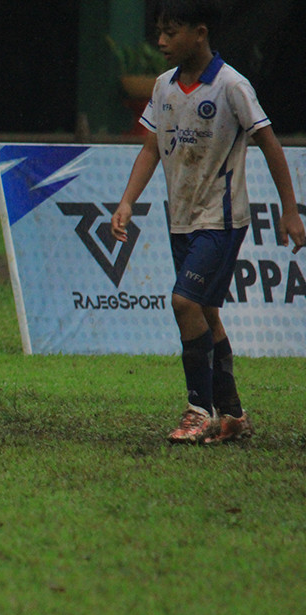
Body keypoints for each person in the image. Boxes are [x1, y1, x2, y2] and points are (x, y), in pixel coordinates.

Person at [110, 0, 306, 444]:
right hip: (180, 219)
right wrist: (126, 202)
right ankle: (233, 415)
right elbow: (149, 148)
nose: (161, 41)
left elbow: (271, 146)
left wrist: (289, 210)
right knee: (207, 313)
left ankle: (198, 410)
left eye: (171, 32)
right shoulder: (163, 87)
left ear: (199, 33)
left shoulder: (232, 85)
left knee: (184, 303)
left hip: (221, 221)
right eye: (159, 31)